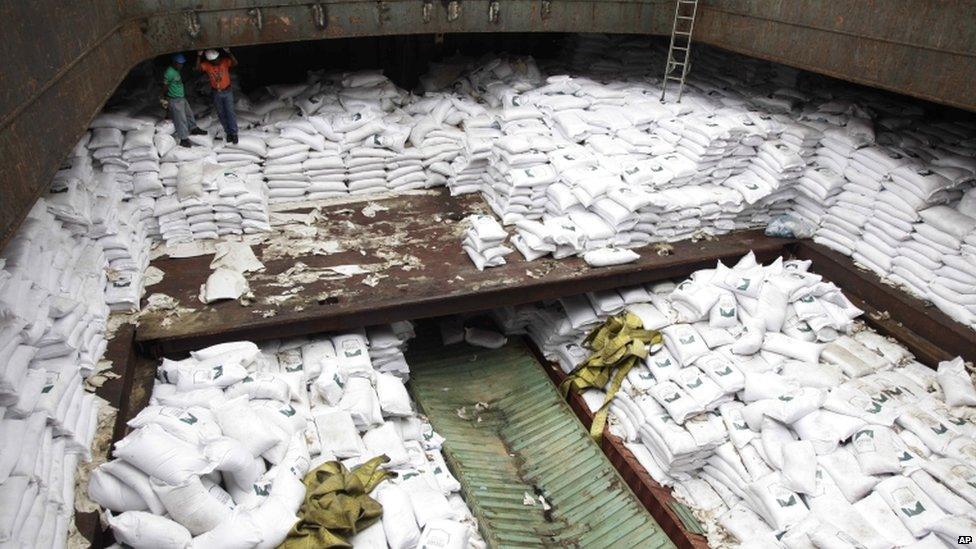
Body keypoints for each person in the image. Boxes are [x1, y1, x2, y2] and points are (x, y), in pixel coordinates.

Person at [162, 53, 206, 148]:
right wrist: (165, 98)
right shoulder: (169, 72)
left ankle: (193, 128)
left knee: (189, 113)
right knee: (180, 118)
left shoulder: (176, 71)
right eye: (179, 63)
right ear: (174, 62)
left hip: (181, 97)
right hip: (174, 99)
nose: (181, 65)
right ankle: (183, 138)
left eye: (182, 64)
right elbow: (165, 86)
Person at [197, 48, 239, 144]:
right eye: (215, 60)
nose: (218, 61)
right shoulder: (207, 66)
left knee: (230, 113)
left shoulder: (224, 62)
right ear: (210, 61)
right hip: (216, 92)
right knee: (221, 114)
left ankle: (234, 133)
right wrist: (199, 56)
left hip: (227, 91)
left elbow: (235, 63)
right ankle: (228, 133)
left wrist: (229, 52)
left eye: (218, 59)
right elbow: (198, 68)